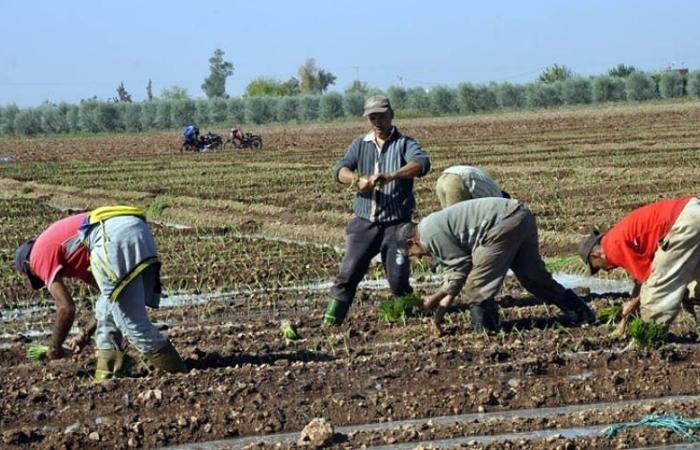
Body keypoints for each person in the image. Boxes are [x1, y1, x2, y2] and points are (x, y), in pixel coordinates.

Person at [14, 206, 186, 382]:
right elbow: (108, 299)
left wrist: (54, 348)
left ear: (28, 263)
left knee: (132, 323)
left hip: (111, 237)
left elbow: (66, 308)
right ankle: (108, 372)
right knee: (108, 307)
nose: (42, 278)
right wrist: (85, 335)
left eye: (33, 275)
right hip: (134, 228)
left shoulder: (37, 255)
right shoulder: (77, 254)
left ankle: (179, 374)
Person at [395, 198, 595, 335]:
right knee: (532, 276)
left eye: (411, 254)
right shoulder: (430, 228)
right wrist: (437, 317)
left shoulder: (430, 234)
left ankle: (486, 329)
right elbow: (454, 281)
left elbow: (460, 270)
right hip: (520, 214)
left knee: (476, 285)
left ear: (412, 241)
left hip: (503, 222)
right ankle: (580, 312)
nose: (416, 258)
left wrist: (432, 299)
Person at [322, 95, 431, 325]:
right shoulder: (360, 144)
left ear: (391, 115)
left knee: (398, 278)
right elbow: (340, 169)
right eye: (373, 117)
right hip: (365, 223)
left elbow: (421, 163)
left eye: (381, 116)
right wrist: (355, 180)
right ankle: (331, 322)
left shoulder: (404, 144)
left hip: (397, 225)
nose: (377, 121)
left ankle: (406, 321)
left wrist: (391, 175)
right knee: (348, 273)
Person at [578, 195, 700, 334]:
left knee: (656, 292)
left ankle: (651, 336)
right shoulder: (616, 237)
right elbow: (639, 281)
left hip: (684, 222)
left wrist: (631, 306)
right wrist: (627, 315)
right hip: (692, 209)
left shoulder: (612, 248)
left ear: (597, 255)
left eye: (598, 266)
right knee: (694, 282)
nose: (605, 270)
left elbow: (648, 279)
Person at [435, 165, 510, 208]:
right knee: (457, 222)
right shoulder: (498, 200)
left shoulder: (492, 189)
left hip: (443, 177)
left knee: (446, 219)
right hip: (458, 181)